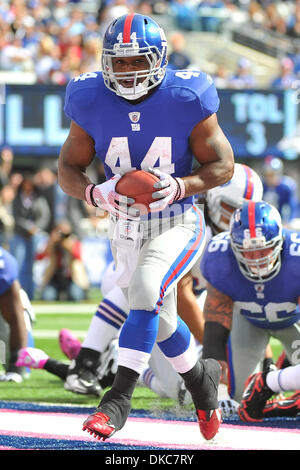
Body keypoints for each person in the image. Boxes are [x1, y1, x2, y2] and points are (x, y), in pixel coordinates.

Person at [57, 13, 234, 441]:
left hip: (178, 217)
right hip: (124, 225)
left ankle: (117, 401)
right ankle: (202, 384)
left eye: (138, 61)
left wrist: (181, 185)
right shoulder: (88, 97)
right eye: (119, 62)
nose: (129, 71)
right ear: (105, 63)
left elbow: (223, 165)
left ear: (158, 59)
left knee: (145, 288)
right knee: (163, 320)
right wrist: (93, 193)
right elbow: (68, 167)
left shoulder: (187, 94)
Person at [200, 200, 300, 404]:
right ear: (234, 246)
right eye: (248, 252)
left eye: (263, 250)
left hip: (294, 321)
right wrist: (217, 389)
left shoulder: (296, 257)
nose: (256, 259)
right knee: (241, 398)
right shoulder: (220, 259)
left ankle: (279, 369)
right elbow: (214, 329)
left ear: (279, 241)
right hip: (248, 322)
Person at [0, 246, 35, 383]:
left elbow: (15, 316)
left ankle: (17, 364)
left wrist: (15, 366)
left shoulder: (3, 265)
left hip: (5, 303)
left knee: (18, 364)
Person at [35, 220, 89, 301]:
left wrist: (68, 246)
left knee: (76, 296)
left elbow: (78, 256)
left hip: (72, 278)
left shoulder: (74, 242)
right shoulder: (52, 243)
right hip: (55, 277)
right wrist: (52, 242)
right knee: (47, 297)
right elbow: (39, 257)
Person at [262, 156, 299, 224]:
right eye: (267, 175)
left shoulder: (286, 187)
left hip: (281, 220)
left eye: (271, 175)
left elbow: (293, 207)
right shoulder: (261, 186)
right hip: (263, 220)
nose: (269, 178)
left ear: (278, 173)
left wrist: (288, 221)